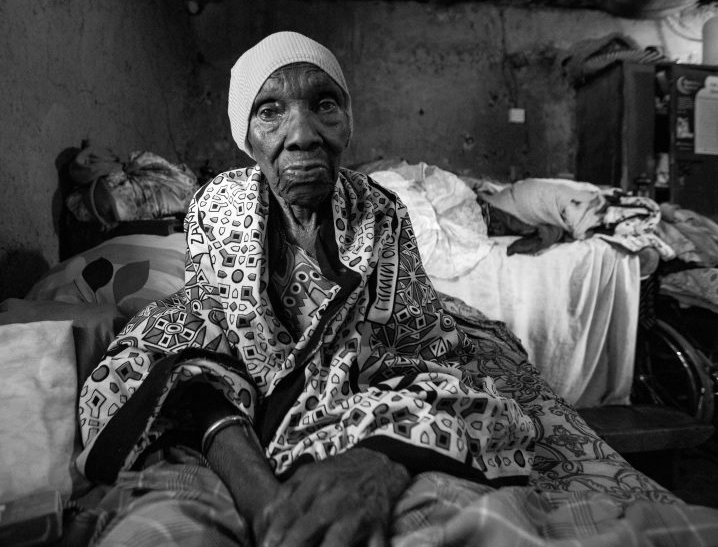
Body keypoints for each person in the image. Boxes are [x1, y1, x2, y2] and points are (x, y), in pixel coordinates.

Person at [76, 31, 537, 547]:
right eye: (270, 111)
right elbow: (203, 336)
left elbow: (416, 349)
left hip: (365, 414)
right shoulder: (217, 208)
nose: (302, 135)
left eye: (325, 105)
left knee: (465, 501)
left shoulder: (380, 212)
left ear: (348, 124)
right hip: (235, 413)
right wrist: (261, 496)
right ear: (246, 137)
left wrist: (381, 459)